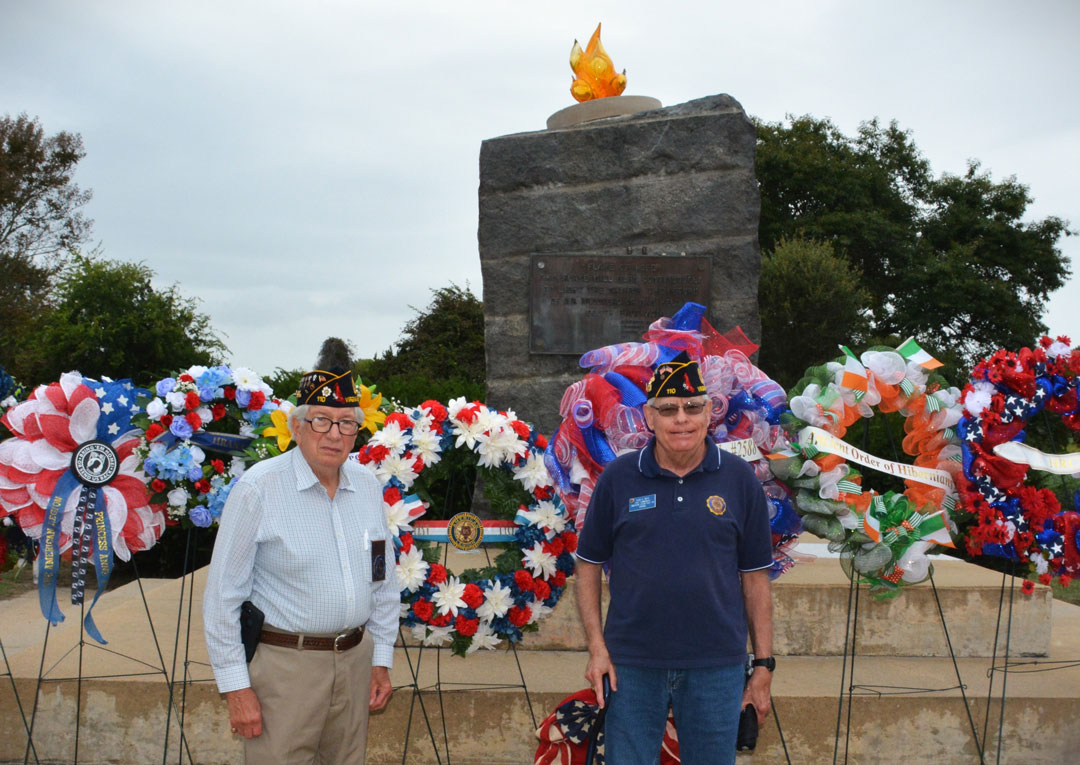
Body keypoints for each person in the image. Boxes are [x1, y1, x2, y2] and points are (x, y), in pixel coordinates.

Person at [574, 352, 774, 764]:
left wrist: (763, 665)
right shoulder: (618, 478)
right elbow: (588, 565)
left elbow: (755, 579)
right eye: (668, 410)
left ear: (708, 413)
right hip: (630, 665)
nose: (681, 419)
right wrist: (597, 648)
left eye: (692, 407)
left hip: (717, 665)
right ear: (649, 417)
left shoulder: (740, 480)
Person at [203, 361, 399, 765]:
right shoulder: (258, 490)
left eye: (346, 423)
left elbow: (383, 580)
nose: (334, 434)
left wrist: (380, 659)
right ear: (296, 427)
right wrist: (236, 687)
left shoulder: (366, 486)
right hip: (285, 672)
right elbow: (223, 596)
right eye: (321, 420)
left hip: (354, 664)